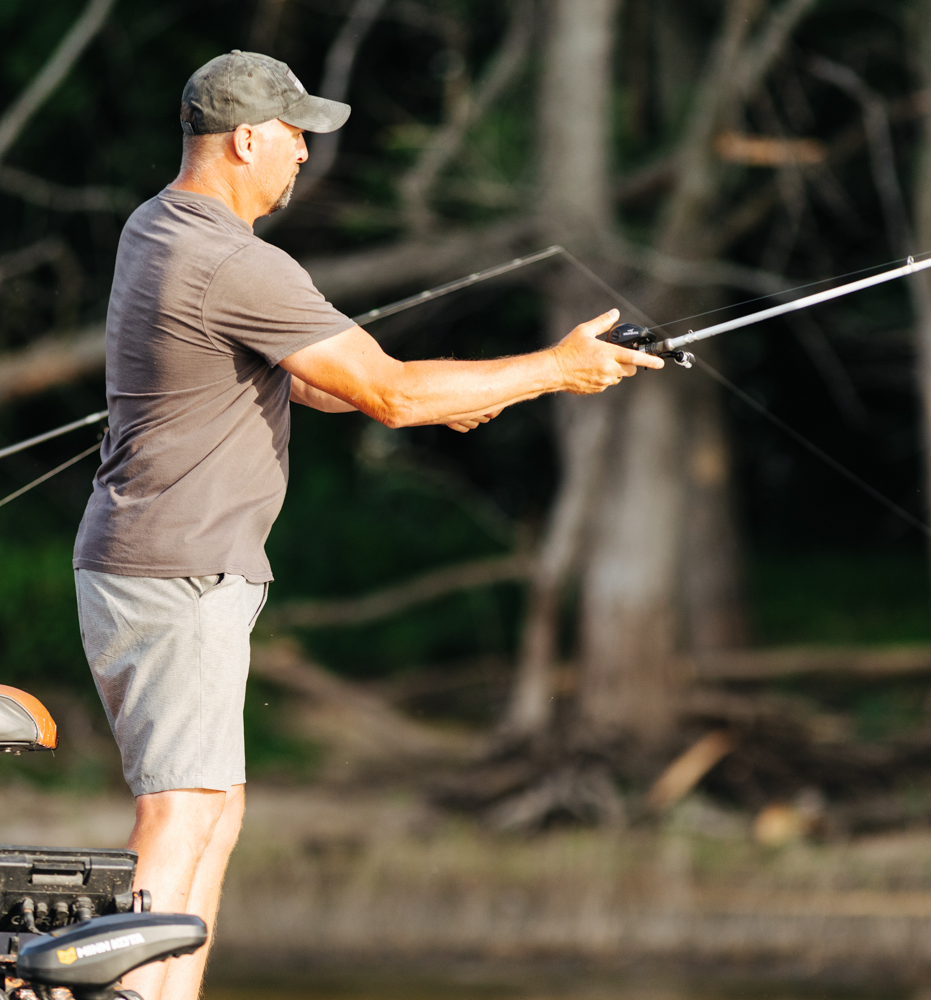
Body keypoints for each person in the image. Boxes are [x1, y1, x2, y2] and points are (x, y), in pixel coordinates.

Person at [71, 50, 661, 1000]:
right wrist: (557, 369)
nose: (304, 153)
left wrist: (449, 393)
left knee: (216, 810)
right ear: (246, 140)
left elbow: (316, 381)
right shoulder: (232, 260)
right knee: (179, 811)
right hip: (176, 572)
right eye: (294, 134)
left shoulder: (158, 225)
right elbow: (388, 391)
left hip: (162, 563)